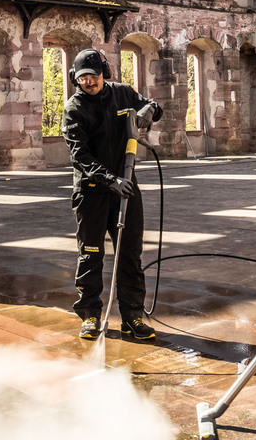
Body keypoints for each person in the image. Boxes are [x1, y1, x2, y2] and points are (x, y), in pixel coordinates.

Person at [62, 48, 162, 342]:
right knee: (90, 254)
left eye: (93, 76)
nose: (89, 82)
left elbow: (154, 107)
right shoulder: (74, 108)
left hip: (126, 187)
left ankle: (132, 317)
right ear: (75, 80)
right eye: (82, 79)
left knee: (130, 255)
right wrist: (109, 179)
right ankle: (90, 315)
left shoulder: (122, 93)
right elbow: (79, 154)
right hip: (91, 192)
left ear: (104, 72)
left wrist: (149, 110)